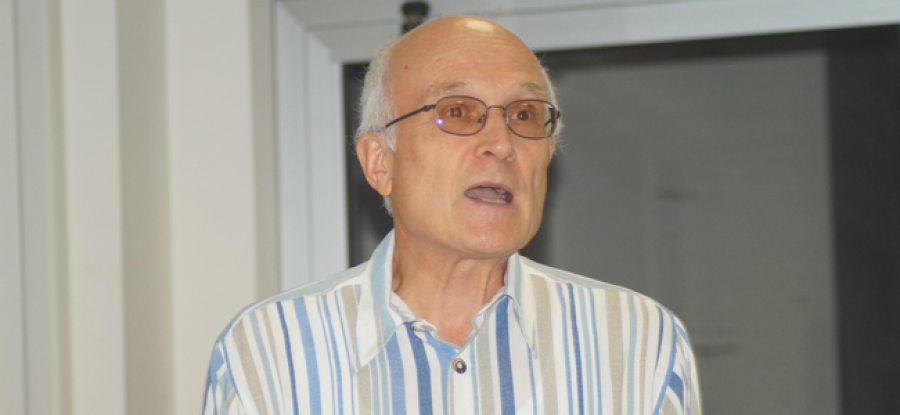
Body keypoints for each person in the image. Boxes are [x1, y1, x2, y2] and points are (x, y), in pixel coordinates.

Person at [203, 15, 701, 415]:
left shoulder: (637, 342)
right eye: (457, 112)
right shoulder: (270, 352)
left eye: (524, 115)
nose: (501, 144)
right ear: (380, 162)